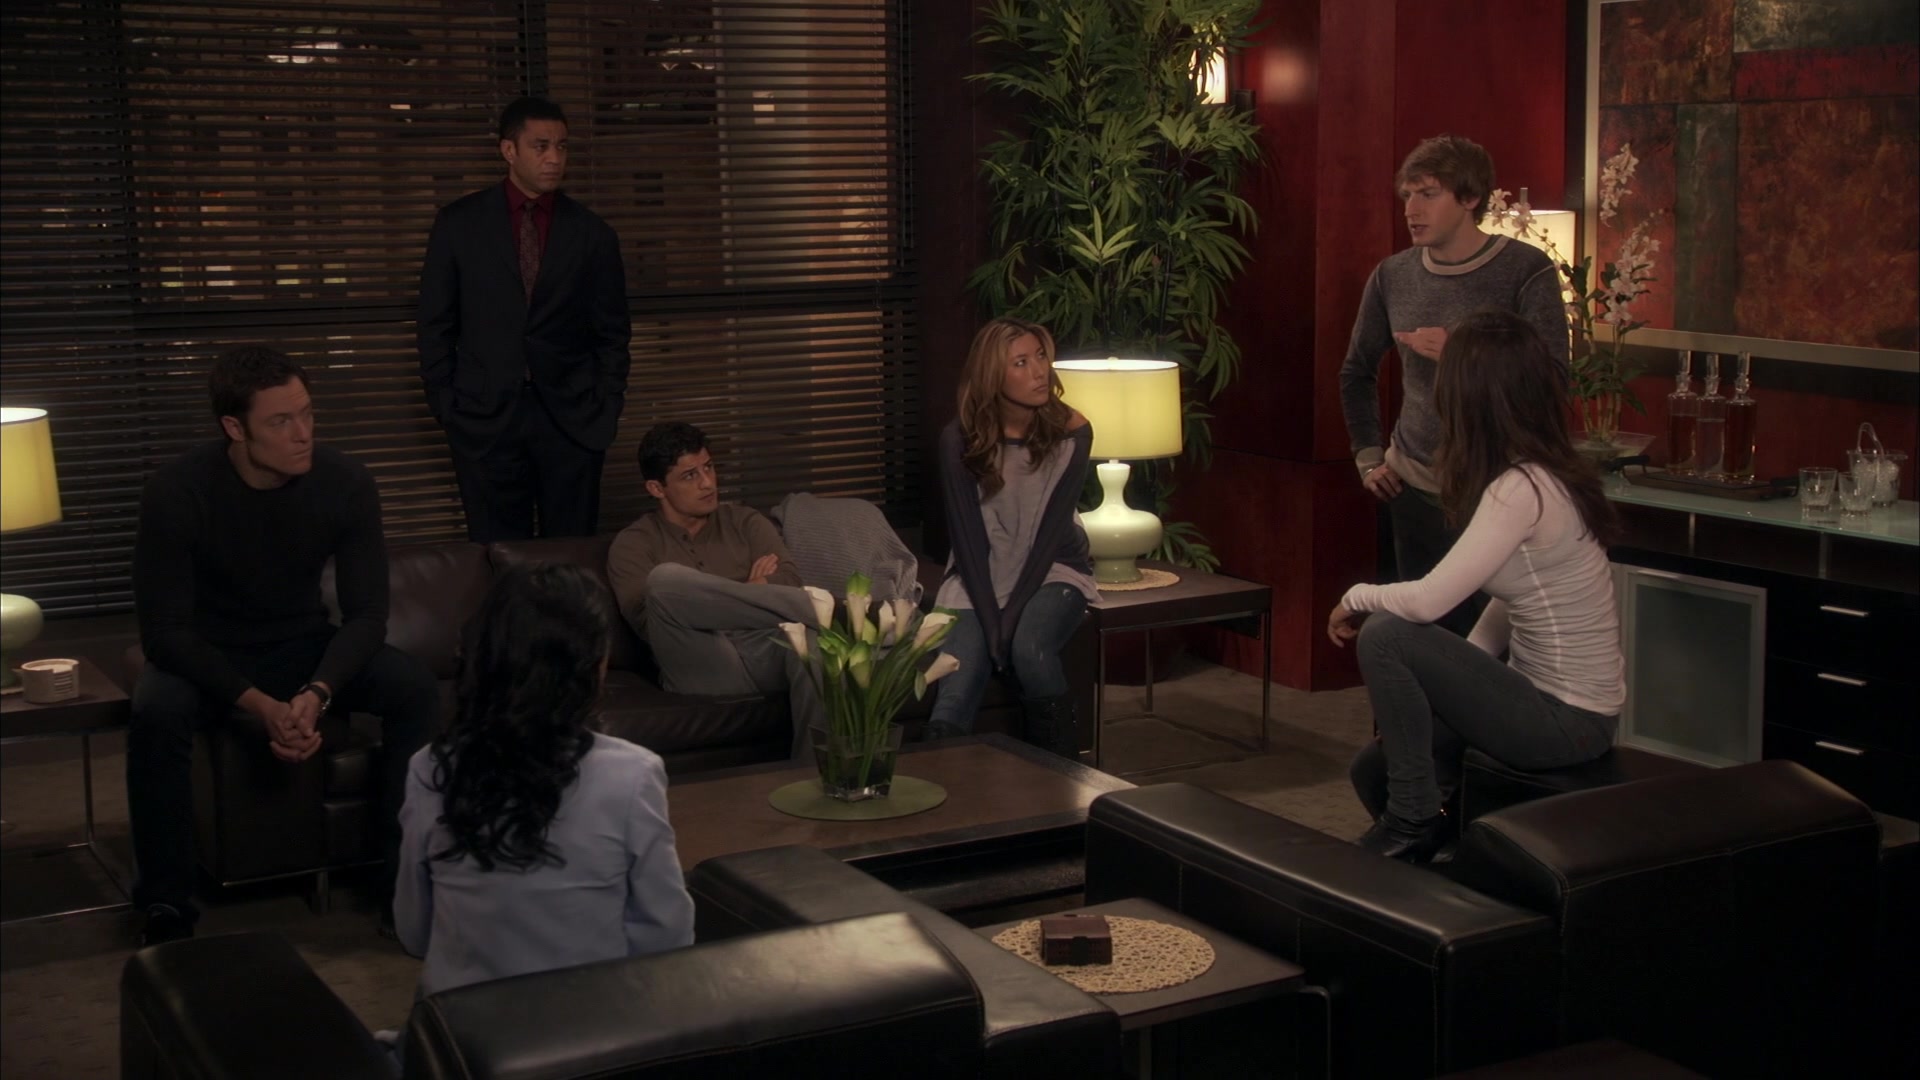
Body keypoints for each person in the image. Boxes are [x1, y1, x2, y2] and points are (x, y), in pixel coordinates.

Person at [128, 346, 437, 945]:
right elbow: (164, 634)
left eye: (307, 413)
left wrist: (318, 692)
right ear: (234, 428)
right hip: (210, 653)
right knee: (156, 710)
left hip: (301, 643)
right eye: (281, 421)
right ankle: (166, 904)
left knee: (414, 689)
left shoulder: (345, 482)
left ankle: (402, 884)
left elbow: (368, 615)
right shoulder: (176, 492)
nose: (303, 434)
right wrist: (261, 705)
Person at [1328, 311, 1624, 863]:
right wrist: (1450, 690)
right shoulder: (1541, 474)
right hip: (1553, 707)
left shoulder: (1522, 488)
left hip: (1568, 721)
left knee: (1386, 634)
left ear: (1469, 396)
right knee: (1373, 768)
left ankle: (1412, 822)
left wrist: (1354, 597)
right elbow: (1515, 600)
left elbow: (1427, 602)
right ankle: (1443, 865)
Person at [393, 562, 694, 1004]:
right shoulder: (634, 774)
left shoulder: (430, 767)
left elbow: (414, 932)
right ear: (593, 667)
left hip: (460, 1028)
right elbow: (667, 935)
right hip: (592, 1025)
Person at [1339, 134, 1570, 637]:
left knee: (1489, 651)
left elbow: (1553, 380)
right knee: (1414, 642)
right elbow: (1356, 371)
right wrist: (1369, 457)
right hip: (1413, 487)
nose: (1411, 209)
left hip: (1498, 489)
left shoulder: (1525, 270)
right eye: (1407, 195)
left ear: (1470, 198)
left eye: (1428, 194)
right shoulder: (1392, 275)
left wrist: (1462, 351)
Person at [417, 96, 632, 542]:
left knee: (570, 556)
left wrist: (606, 406)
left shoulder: (592, 234)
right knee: (496, 556)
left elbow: (613, 333)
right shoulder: (459, 225)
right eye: (540, 146)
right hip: (484, 419)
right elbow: (435, 324)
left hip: (571, 421)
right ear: (508, 150)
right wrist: (447, 406)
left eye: (562, 146)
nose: (554, 158)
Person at [926, 317, 1095, 754]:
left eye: (1040, 356)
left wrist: (1010, 619)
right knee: (955, 688)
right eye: (1021, 362)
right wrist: (990, 621)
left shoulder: (1074, 432)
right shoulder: (958, 439)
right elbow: (968, 542)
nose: (1039, 372)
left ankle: (1063, 773)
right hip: (978, 572)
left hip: (1053, 568)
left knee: (1030, 649)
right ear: (992, 375)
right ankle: (941, 782)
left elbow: (1050, 538)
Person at [605, 422, 823, 757]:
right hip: (700, 661)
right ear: (657, 488)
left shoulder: (744, 521)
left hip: (763, 650)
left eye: (708, 467)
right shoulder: (633, 544)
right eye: (689, 475)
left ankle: (814, 775)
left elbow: (789, 580)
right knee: (664, 582)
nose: (707, 483)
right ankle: (832, 611)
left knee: (812, 646)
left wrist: (717, 603)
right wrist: (751, 588)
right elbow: (649, 622)